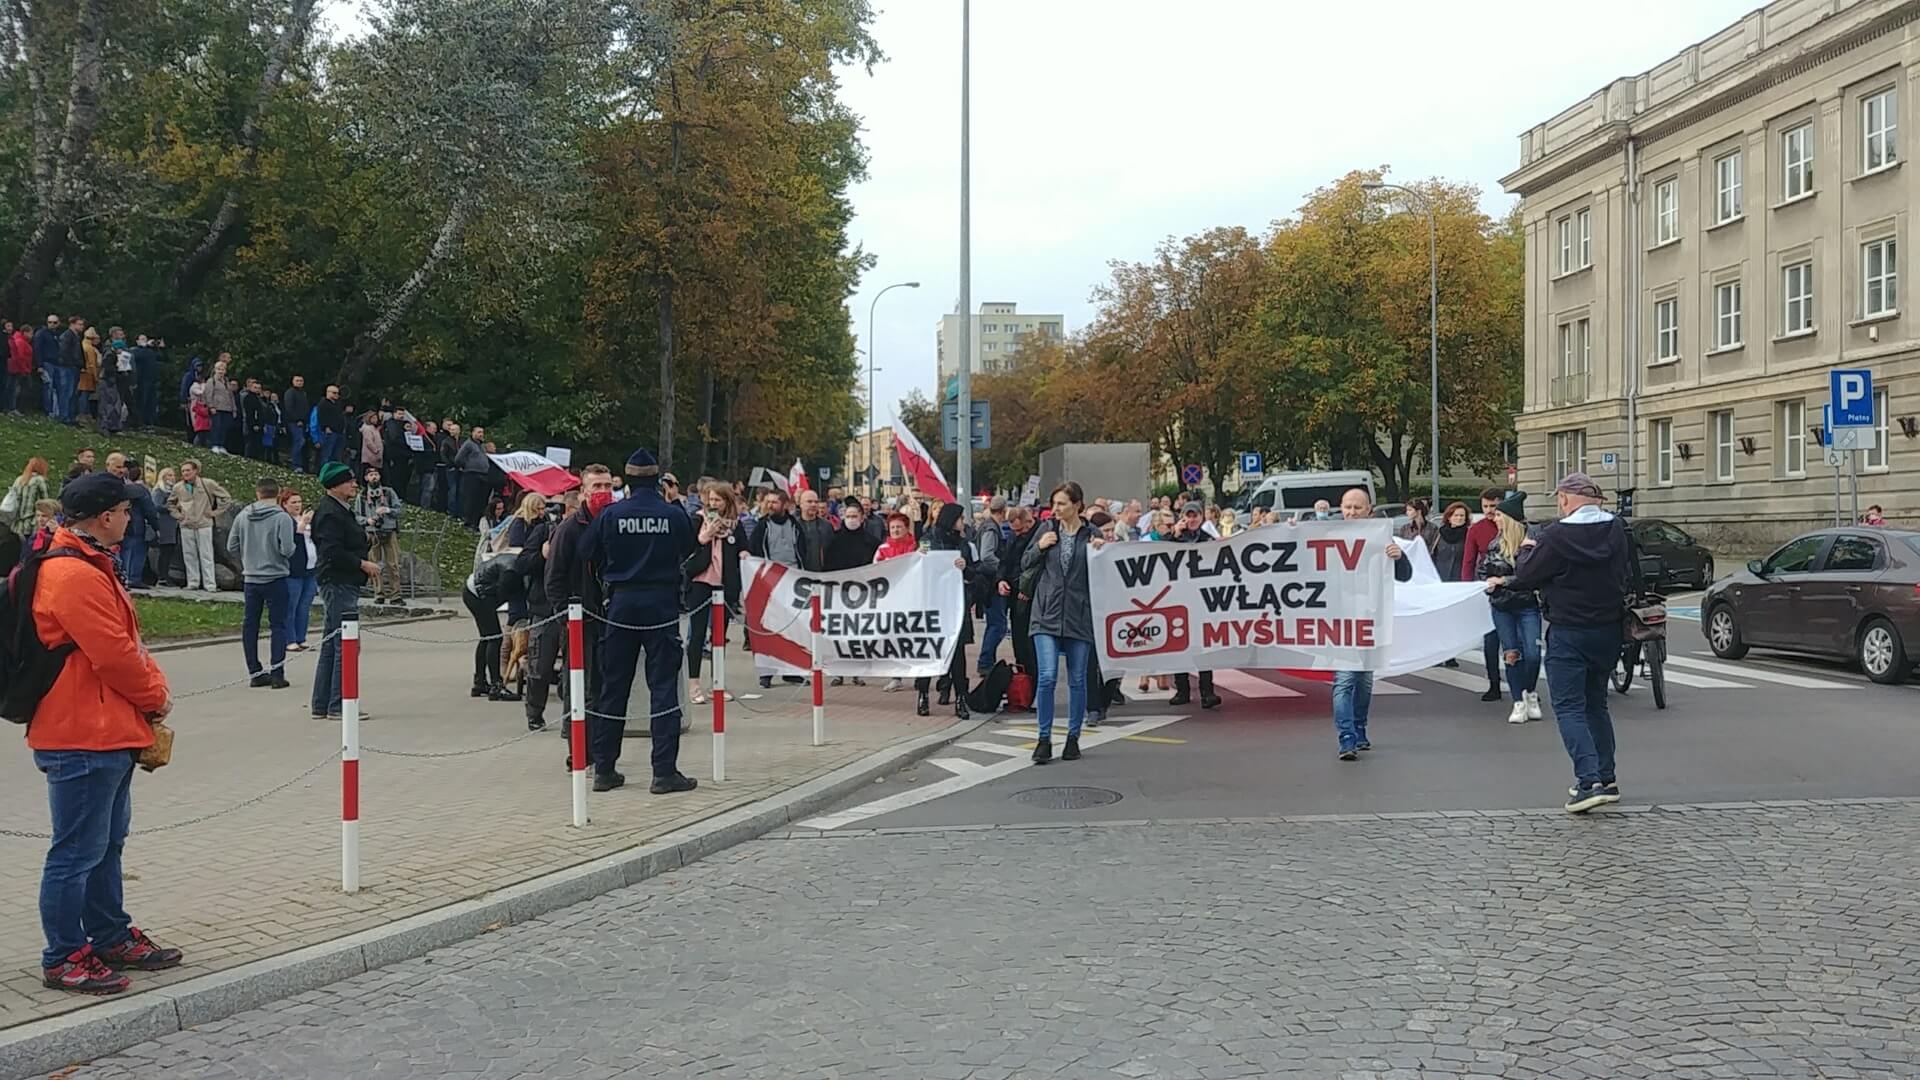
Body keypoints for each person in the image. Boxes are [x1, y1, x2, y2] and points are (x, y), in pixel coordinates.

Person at [22, 471, 182, 995]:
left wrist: (147, 692)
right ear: (105, 515)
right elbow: (113, 654)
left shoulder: (89, 563)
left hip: (104, 729)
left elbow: (126, 644)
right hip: (79, 732)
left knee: (105, 845)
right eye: (126, 510)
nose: (131, 518)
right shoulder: (73, 573)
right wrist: (155, 697)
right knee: (75, 852)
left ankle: (109, 934)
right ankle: (64, 954)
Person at [1488, 473, 1631, 813]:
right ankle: (1607, 778)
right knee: (1596, 703)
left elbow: (1526, 576)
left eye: (1559, 499)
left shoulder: (1555, 536)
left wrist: (1525, 551)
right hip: (1608, 628)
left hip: (1569, 629)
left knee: (1568, 707)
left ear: (1566, 499)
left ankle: (1588, 782)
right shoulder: (1618, 530)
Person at [579, 449, 699, 795]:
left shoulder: (612, 515)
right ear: (658, 480)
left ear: (627, 480)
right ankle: (663, 772)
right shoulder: (672, 514)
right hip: (661, 604)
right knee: (662, 688)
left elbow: (588, 551)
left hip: (621, 604)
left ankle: (604, 768)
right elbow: (687, 549)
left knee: (613, 686)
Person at [1330, 488, 1414, 762]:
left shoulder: (1382, 538)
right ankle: (1346, 738)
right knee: (1344, 680)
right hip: (1339, 621)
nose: (1351, 512)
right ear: (1340, 508)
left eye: (1357, 507)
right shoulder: (1327, 537)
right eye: (1347, 507)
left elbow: (1405, 576)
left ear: (1369, 509)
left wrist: (1398, 557)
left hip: (1371, 620)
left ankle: (1359, 728)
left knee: (1364, 681)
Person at [1022, 483, 1104, 763]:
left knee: (1078, 678)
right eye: (1054, 504)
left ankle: (1073, 737)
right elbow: (1025, 562)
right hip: (1046, 612)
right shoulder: (1047, 530)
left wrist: (1100, 551)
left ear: (1077, 505)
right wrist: (1039, 547)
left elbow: (1104, 571)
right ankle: (1043, 739)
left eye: (1061, 504)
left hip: (1079, 614)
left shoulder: (1092, 533)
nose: (1055, 509)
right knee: (1047, 677)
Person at [540, 464, 615, 736]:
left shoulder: (613, 523)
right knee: (579, 683)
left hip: (608, 616)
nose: (603, 492)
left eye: (608, 486)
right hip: (579, 617)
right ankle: (578, 745)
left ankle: (596, 741)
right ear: (583, 492)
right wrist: (566, 616)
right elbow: (554, 577)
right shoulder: (569, 529)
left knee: (602, 684)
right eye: (597, 486)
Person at [309, 463, 379, 721]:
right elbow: (332, 551)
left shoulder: (340, 510)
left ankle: (321, 702)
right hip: (337, 582)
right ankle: (339, 703)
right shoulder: (329, 513)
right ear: (335, 485)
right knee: (346, 644)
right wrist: (362, 563)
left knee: (331, 642)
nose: (354, 485)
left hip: (341, 581)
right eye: (348, 481)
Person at [1477, 492, 1542, 725]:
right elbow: (1483, 571)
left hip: (1527, 605)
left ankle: (1531, 692)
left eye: (1499, 515)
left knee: (1533, 654)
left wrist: (1504, 581)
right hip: (1502, 606)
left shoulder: (1532, 543)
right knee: (1512, 652)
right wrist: (1489, 585)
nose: (1495, 519)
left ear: (1511, 519)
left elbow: (1532, 576)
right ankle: (1518, 701)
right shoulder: (1494, 546)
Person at [915, 502, 983, 719]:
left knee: (958, 654)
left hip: (956, 604)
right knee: (929, 650)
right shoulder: (927, 540)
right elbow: (919, 565)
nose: (964, 523)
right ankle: (923, 694)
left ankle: (961, 697)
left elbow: (977, 574)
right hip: (933, 603)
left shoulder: (965, 545)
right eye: (960, 518)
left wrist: (967, 569)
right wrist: (921, 557)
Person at [226, 477, 295, 688]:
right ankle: (277, 672)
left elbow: (231, 545)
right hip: (275, 576)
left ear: (257, 493)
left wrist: (249, 555)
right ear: (278, 493)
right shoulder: (282, 518)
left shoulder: (243, 515)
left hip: (251, 577)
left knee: (250, 624)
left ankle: (254, 671)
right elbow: (287, 549)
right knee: (278, 625)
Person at [684, 482, 743, 705]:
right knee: (697, 634)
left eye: (719, 500)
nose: (714, 504)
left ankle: (718, 683)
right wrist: (705, 535)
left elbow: (743, 547)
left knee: (719, 636)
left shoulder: (734, 526)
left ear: (727, 502)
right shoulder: (698, 520)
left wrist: (745, 555)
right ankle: (694, 684)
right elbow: (688, 545)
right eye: (711, 499)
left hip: (724, 584)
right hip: (701, 581)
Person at [746, 489, 805, 689]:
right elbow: (754, 551)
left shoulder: (795, 526)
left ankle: (792, 671)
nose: (770, 505)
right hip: (769, 582)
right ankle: (767, 672)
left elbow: (802, 552)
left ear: (784, 504)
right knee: (768, 629)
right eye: (768, 502)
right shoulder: (762, 526)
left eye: (774, 502)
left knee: (791, 628)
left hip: (791, 581)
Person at [1166, 502, 1222, 710]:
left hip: (1201, 601)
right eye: (1188, 516)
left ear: (1201, 518)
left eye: (1195, 516)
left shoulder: (1207, 540)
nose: (1192, 520)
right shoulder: (1173, 539)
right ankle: (1182, 690)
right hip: (1178, 598)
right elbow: (1158, 554)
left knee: (1203, 647)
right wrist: (1175, 536)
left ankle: (1207, 692)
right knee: (1179, 644)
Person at [1460, 487, 1506, 703]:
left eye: (1493, 506)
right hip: (1487, 589)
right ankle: (1494, 683)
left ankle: (1524, 685)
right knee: (1491, 639)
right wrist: (1466, 589)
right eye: (1485, 506)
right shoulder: (1476, 530)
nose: (1489, 511)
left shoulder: (1512, 525)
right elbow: (1469, 561)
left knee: (1516, 641)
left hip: (1512, 586)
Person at [463, 545, 525, 702]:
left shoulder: (516, 564)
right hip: (479, 594)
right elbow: (502, 594)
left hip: (473, 590)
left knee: (486, 637)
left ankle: (479, 683)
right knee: (494, 638)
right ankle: (496, 686)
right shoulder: (512, 572)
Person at [166, 460, 229, 592]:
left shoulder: (208, 484)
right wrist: (178, 516)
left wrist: (214, 513)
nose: (185, 473)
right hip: (186, 524)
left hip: (204, 523)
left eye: (188, 470)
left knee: (206, 554)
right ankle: (193, 582)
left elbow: (226, 498)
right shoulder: (178, 487)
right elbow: (170, 503)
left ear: (196, 471)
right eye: (183, 471)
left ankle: (210, 584)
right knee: (189, 555)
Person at [103, 454, 156, 591]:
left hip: (128, 525)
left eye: (123, 467)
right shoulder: (136, 489)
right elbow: (149, 508)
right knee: (128, 552)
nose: (121, 470)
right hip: (113, 525)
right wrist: (156, 525)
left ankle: (126, 579)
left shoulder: (131, 487)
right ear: (108, 465)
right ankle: (127, 578)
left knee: (126, 552)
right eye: (118, 467)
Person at [354, 465, 404, 605]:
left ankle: (396, 595)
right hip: (372, 532)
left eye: (376, 474)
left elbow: (400, 510)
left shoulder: (388, 492)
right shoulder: (362, 496)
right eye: (371, 475)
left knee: (393, 564)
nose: (374, 477)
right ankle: (379, 593)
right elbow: (357, 516)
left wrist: (388, 510)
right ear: (366, 478)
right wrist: (368, 520)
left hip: (389, 530)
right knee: (374, 564)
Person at [974, 496, 1010, 674]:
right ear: (1003, 511)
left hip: (990, 581)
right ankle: (986, 661)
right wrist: (1003, 569)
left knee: (996, 623)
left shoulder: (989, 526)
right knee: (998, 624)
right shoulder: (991, 529)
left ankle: (987, 660)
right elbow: (986, 555)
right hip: (991, 581)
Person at [279, 490, 318, 653]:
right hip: (293, 570)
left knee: (305, 605)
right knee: (291, 605)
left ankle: (301, 637)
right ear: (284, 504)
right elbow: (289, 545)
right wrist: (300, 528)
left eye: (299, 502)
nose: (297, 505)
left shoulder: (306, 520)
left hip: (310, 568)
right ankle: (290, 638)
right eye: (293, 502)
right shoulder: (285, 521)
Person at [454, 425, 492, 529]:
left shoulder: (482, 446)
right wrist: (467, 466)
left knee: (480, 499)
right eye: (479, 432)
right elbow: (458, 458)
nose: (481, 434)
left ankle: (477, 522)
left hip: (483, 475)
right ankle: (468, 521)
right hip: (472, 474)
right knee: (471, 498)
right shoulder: (468, 444)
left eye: (482, 432)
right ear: (473, 433)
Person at [5, 456, 51, 538]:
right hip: (32, 525)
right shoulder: (40, 480)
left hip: (16, 525)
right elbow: (46, 503)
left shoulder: (19, 479)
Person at [149, 468, 181, 587]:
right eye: (169, 475)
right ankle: (162, 577)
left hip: (172, 525)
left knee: (169, 551)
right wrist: (171, 507)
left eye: (173, 475)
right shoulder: (159, 491)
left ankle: (165, 575)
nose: (172, 477)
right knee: (164, 552)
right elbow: (156, 506)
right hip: (163, 525)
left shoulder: (173, 491)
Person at [794, 489, 833, 573]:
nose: (813, 505)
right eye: (809, 501)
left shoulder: (826, 526)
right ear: (801, 504)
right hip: (798, 574)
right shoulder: (792, 526)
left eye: (816, 502)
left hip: (822, 574)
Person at [1431, 502, 1471, 582]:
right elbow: (1433, 554)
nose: (1459, 518)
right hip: (1439, 578)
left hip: (1461, 579)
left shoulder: (1469, 534)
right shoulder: (1439, 533)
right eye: (1456, 515)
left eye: (1462, 515)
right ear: (1449, 517)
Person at [204, 357, 236, 453]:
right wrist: (211, 406)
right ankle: (215, 444)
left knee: (224, 428)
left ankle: (221, 445)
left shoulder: (226, 382)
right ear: (215, 370)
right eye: (219, 369)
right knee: (216, 426)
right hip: (217, 408)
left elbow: (231, 396)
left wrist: (234, 409)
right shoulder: (211, 381)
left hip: (227, 408)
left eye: (222, 369)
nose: (221, 371)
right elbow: (208, 394)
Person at [315, 384, 347, 467]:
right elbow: (321, 417)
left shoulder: (337, 404)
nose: (337, 395)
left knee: (337, 455)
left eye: (337, 393)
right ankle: (324, 472)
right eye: (334, 393)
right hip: (330, 431)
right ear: (328, 393)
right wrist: (325, 427)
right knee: (327, 454)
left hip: (339, 431)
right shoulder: (323, 403)